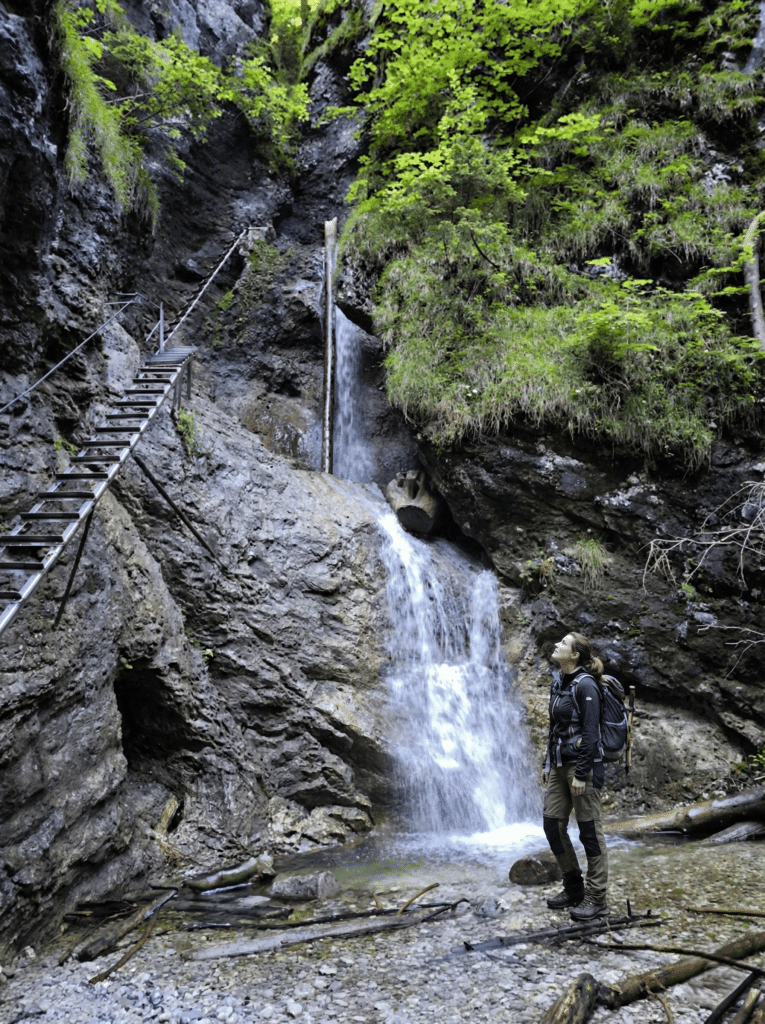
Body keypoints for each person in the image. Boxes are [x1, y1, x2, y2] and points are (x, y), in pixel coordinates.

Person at [541, 631, 616, 920]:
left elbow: (591, 733)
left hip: (583, 766)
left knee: (589, 833)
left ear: (574, 655)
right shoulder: (559, 682)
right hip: (560, 765)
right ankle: (574, 888)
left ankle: (598, 899)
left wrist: (582, 773)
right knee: (552, 825)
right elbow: (554, 729)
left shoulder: (586, 685)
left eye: (563, 643)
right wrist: (548, 763)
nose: (557, 644)